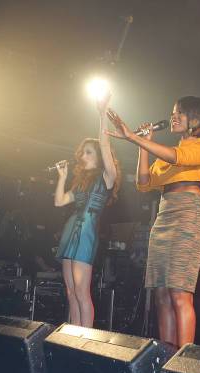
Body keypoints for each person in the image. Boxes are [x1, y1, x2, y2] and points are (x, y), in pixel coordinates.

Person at [105, 96, 200, 347]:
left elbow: (177, 157)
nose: (173, 117)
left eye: (180, 113)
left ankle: (182, 363)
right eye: (173, 112)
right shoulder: (164, 157)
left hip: (189, 216)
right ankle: (164, 359)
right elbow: (143, 183)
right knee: (161, 295)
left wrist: (133, 137)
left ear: (196, 119)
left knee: (179, 292)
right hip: (164, 218)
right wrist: (144, 144)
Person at [54, 94, 120, 327]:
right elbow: (60, 201)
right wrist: (62, 177)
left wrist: (102, 115)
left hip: (86, 233)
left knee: (82, 292)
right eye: (82, 152)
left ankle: (87, 341)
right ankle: (73, 337)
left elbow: (105, 143)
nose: (83, 155)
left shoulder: (106, 177)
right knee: (71, 292)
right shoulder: (81, 183)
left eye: (88, 152)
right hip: (71, 230)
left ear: (100, 157)